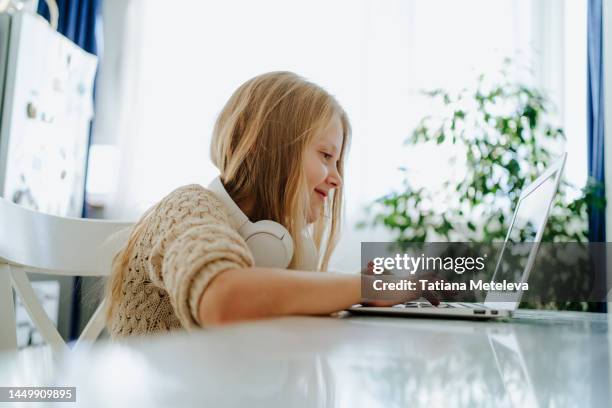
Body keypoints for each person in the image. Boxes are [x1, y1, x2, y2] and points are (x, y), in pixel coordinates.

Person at [104, 71, 434, 338]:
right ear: (269, 149)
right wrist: (367, 287)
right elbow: (222, 301)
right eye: (326, 156)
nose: (337, 179)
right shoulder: (189, 207)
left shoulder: (268, 241)